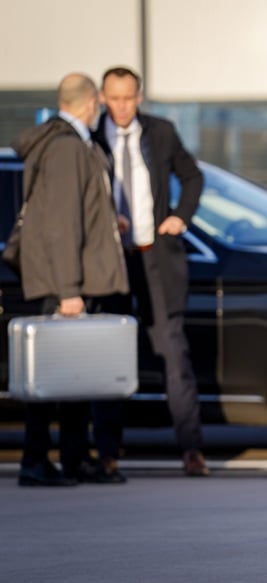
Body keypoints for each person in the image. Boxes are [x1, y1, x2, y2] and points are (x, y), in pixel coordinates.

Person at [10, 73, 130, 486]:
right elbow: (61, 225)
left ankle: (75, 459)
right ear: (92, 101)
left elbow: (75, 212)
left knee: (76, 375)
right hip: (64, 284)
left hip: (74, 280)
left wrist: (108, 222)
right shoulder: (65, 147)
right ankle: (36, 461)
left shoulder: (70, 142)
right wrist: (69, 292)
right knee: (52, 380)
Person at [94, 65, 209, 477]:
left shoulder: (160, 131)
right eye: (114, 98)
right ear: (103, 98)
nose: (122, 107)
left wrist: (180, 217)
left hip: (156, 257)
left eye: (129, 98)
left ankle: (191, 450)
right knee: (109, 356)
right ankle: (106, 452)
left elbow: (193, 176)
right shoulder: (90, 140)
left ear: (139, 97)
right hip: (111, 263)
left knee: (173, 353)